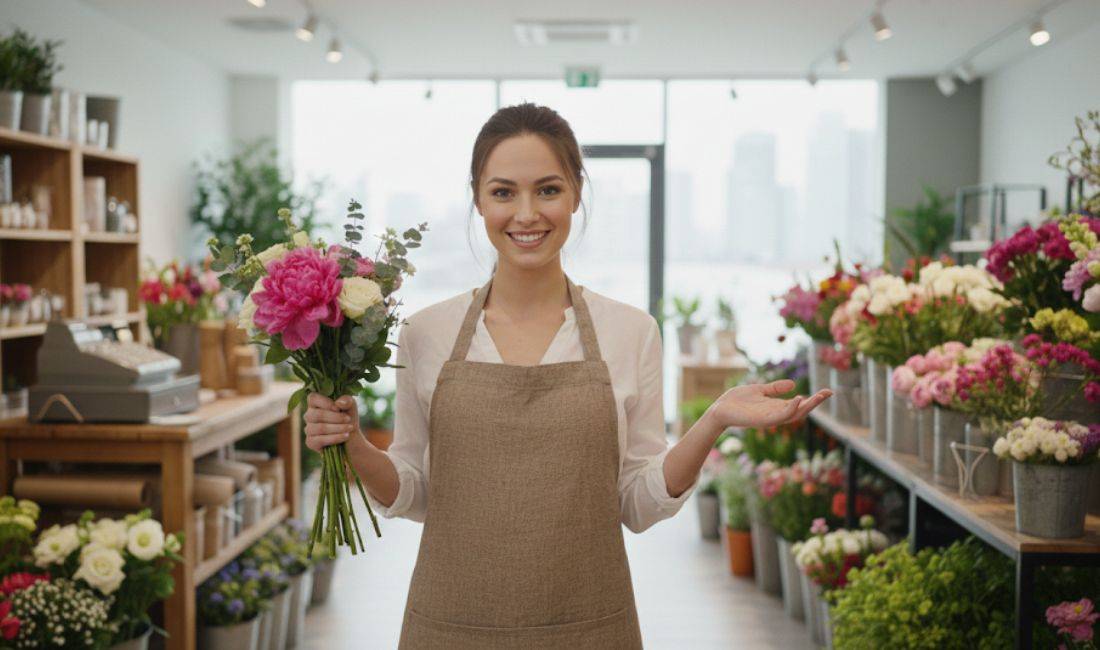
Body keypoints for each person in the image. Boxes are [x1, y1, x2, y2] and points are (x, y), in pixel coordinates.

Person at [303, 102, 832, 649]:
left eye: (548, 190)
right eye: (503, 192)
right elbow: (416, 493)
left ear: (576, 193)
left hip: (590, 627)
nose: (526, 213)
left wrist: (713, 420)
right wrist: (354, 444)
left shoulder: (631, 332)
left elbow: (637, 501)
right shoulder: (424, 332)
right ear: (478, 199)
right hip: (452, 625)